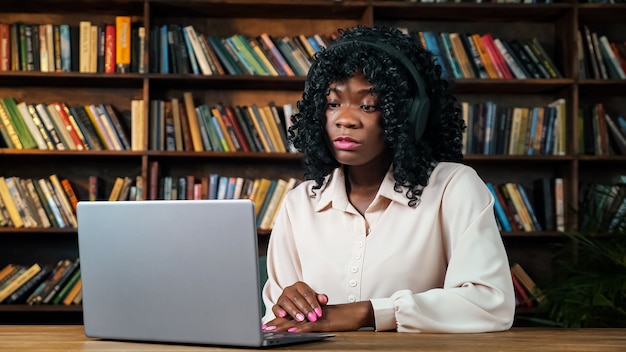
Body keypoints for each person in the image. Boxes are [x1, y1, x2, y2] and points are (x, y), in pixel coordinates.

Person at [261, 25, 515, 333]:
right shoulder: (299, 204)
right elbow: (275, 325)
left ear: (407, 114)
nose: (345, 119)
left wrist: (367, 313)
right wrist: (289, 306)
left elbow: (490, 304)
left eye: (367, 105)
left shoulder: (453, 188)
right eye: (333, 103)